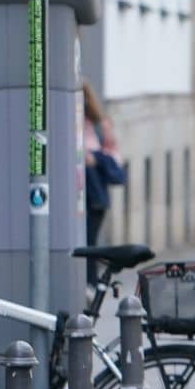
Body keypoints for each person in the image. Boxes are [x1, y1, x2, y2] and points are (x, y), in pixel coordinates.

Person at [81, 83, 123, 263]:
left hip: (94, 195)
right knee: (85, 243)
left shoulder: (99, 125)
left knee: (89, 243)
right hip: (82, 191)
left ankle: (90, 284)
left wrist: (96, 159)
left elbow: (116, 164)